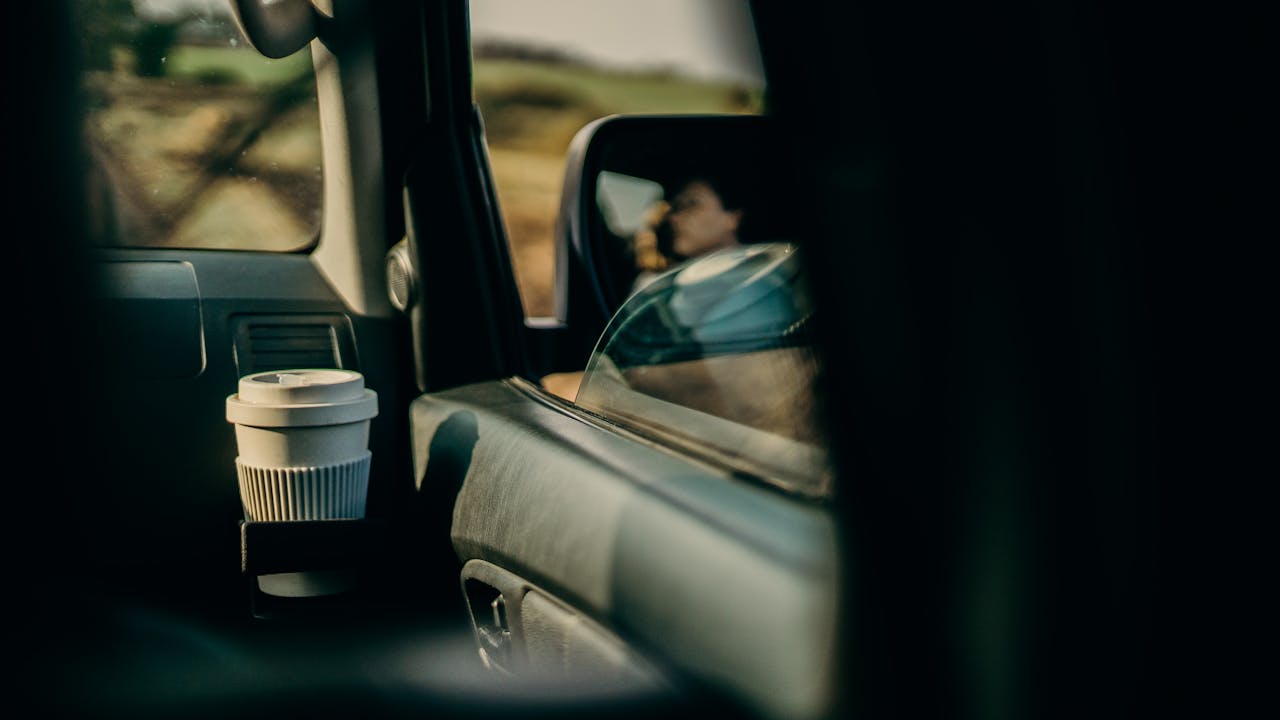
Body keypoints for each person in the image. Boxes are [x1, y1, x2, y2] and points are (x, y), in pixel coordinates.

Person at [630, 170, 750, 294]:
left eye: (692, 203)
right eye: (676, 208)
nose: (674, 218)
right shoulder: (657, 286)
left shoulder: (757, 270)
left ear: (733, 218)